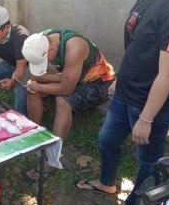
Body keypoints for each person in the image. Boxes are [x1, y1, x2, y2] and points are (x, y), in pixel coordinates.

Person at [74, 0, 169, 204]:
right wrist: (119, 79)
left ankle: (139, 199)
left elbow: (168, 74)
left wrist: (146, 119)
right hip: (125, 91)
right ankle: (107, 183)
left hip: (150, 104)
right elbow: (136, 44)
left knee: (148, 161)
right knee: (107, 139)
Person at [22, 30, 115, 182]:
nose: (43, 64)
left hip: (99, 82)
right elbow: (40, 77)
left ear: (50, 50)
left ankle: (52, 159)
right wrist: (42, 82)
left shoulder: (74, 46)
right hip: (73, 77)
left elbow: (66, 90)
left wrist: (40, 84)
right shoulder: (40, 41)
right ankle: (35, 138)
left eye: (44, 60)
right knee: (32, 90)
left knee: (62, 101)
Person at [0, 5, 30, 115]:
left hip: (27, 66)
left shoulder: (20, 36)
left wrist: (13, 81)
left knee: (19, 88)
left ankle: (21, 120)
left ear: (6, 28)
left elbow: (20, 68)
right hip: (8, 63)